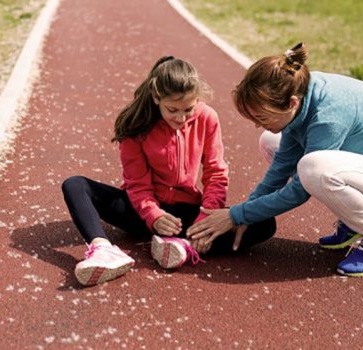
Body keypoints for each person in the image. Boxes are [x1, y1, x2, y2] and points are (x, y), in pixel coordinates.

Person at [187, 43, 363, 277]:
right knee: (270, 142)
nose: (257, 124)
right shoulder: (300, 96)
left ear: (292, 103)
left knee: (313, 168)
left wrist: (237, 215)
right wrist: (245, 216)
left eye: (261, 116)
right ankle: (354, 222)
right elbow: (280, 169)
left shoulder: (329, 115)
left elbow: (300, 190)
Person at [62, 56, 276, 286]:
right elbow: (137, 184)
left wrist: (206, 219)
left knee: (264, 222)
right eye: (172, 109)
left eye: (188, 110)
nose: (181, 118)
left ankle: (183, 246)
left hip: (186, 215)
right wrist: (153, 216)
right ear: (156, 98)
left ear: (198, 99)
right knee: (75, 185)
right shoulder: (136, 126)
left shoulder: (207, 118)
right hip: (141, 212)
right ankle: (103, 250)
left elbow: (215, 173)